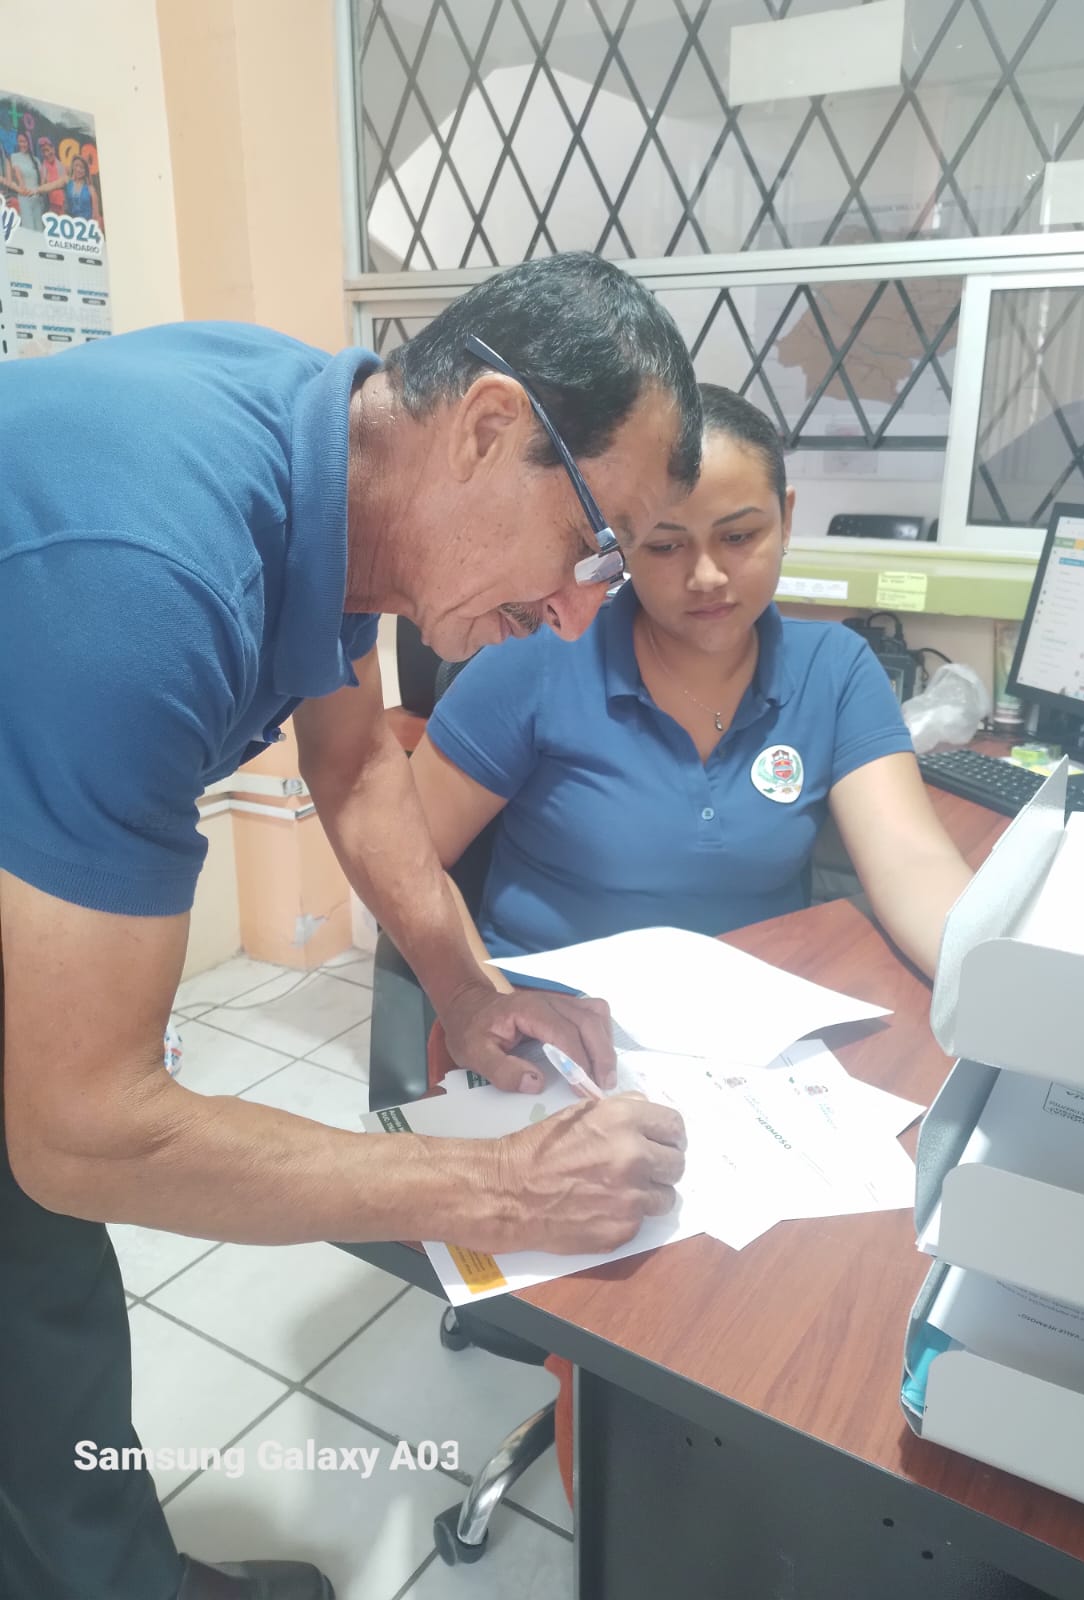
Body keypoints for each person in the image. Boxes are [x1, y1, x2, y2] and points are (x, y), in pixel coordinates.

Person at [0, 253, 700, 1600]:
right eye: (594, 545)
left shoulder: (341, 459)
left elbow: (356, 755)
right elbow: (85, 1130)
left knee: (38, 1293)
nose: (576, 614)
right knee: (38, 1216)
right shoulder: (150, 578)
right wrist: (504, 1190)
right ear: (488, 426)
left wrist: (467, 989)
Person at [409, 384, 975, 1500]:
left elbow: (912, 863)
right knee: (646, 1320)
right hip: (547, 1045)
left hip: (749, 1055)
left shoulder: (832, 671)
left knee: (833, 1293)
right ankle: (630, 1507)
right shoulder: (540, 660)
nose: (707, 576)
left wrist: (1007, 991)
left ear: (789, 518)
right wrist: (473, 993)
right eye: (664, 546)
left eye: (740, 535)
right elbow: (404, 856)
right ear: (618, 546)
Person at [0, 130, 45, 230]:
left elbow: (42, 179)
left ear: (28, 142)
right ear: (17, 143)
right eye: (20, 141)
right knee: (29, 228)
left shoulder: (36, 160)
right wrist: (22, 187)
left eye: (25, 141)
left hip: (37, 199)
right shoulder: (14, 157)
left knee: (39, 229)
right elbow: (17, 171)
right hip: (24, 197)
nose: (23, 144)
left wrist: (40, 191)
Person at [64, 152, 101, 225]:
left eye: (82, 167)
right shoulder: (68, 182)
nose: (78, 169)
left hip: (86, 225)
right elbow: (50, 186)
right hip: (71, 224)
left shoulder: (90, 189)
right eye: (76, 166)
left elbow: (96, 215)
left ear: (86, 171)